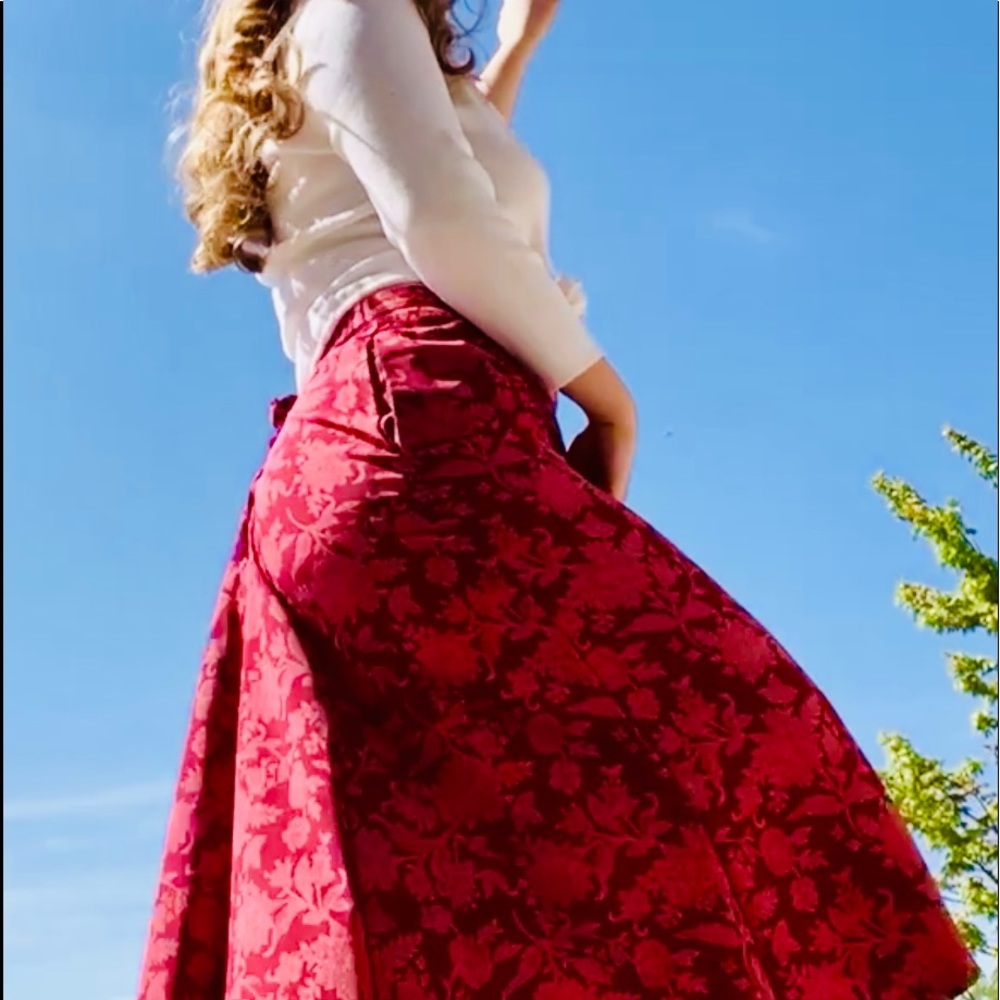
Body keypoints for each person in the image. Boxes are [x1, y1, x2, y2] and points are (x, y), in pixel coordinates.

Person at [137, 1, 977, 997]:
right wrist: (609, 401)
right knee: (728, 733)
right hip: (421, 419)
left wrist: (515, 50)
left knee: (486, 882)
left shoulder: (322, 53)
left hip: (355, 464)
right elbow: (442, 212)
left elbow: (442, 161)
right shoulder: (354, 6)